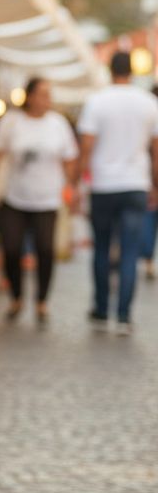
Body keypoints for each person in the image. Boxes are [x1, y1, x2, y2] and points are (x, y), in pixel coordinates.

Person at [0, 76, 78, 324]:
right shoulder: (12, 122)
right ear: (30, 96)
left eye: (49, 94)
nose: (47, 99)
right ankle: (16, 296)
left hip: (47, 199)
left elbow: (70, 159)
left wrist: (71, 189)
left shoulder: (58, 124)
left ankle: (42, 300)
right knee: (11, 248)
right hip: (14, 198)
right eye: (42, 94)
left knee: (45, 250)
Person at [78, 51, 158, 333]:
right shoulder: (149, 103)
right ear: (132, 72)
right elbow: (156, 150)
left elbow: (86, 146)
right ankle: (124, 315)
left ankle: (102, 309)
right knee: (129, 251)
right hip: (136, 183)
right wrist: (155, 184)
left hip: (104, 184)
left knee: (101, 248)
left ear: (110, 70)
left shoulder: (97, 102)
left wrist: (79, 182)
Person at [139, 84, 158, 279]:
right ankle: (148, 259)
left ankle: (148, 259)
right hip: (150, 179)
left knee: (149, 221)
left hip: (149, 180)